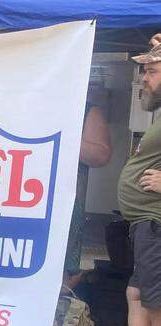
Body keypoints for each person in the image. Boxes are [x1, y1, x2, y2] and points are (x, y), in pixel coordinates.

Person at [110, 42, 161, 326]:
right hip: (145, 224)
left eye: (152, 71)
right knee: (135, 294)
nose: (144, 78)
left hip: (156, 224)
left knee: (156, 306)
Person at [64, 92, 111, 289]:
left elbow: (101, 155)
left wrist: (60, 134)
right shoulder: (19, 104)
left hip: (64, 209)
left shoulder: (86, 110)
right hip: (14, 203)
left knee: (59, 276)